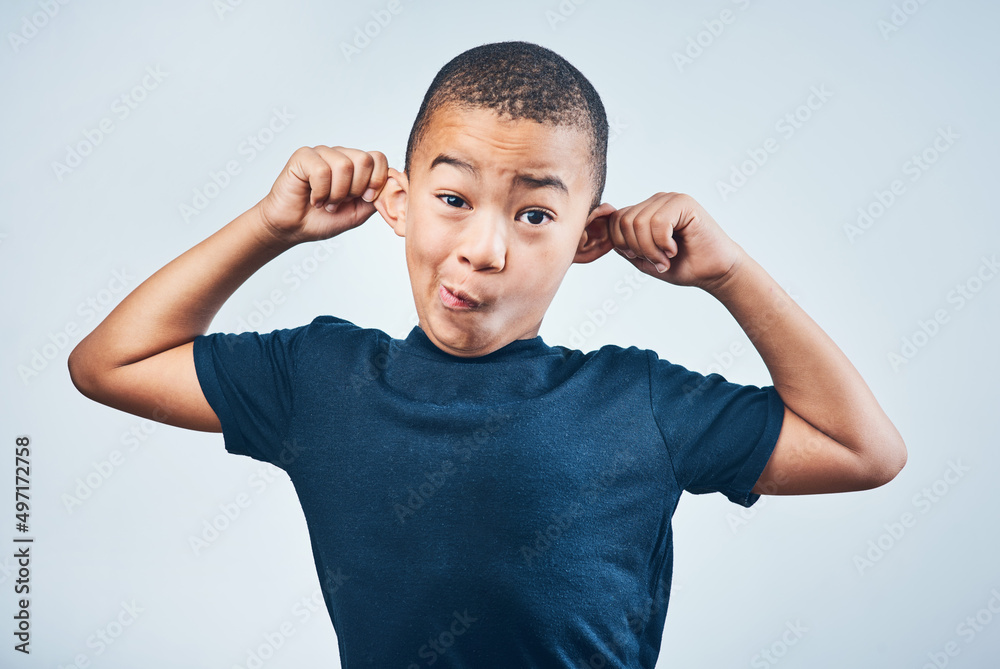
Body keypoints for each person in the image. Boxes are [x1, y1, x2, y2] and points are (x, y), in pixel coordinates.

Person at [68, 40, 906, 669]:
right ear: (398, 201)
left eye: (535, 215)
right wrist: (268, 226)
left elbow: (862, 449)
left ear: (588, 237)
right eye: (453, 198)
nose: (483, 247)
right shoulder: (316, 379)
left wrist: (729, 274)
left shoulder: (638, 399)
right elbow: (110, 361)